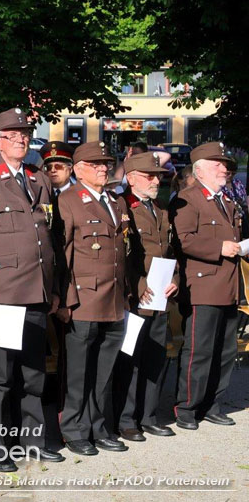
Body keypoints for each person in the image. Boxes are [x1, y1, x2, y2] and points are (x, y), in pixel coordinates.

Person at [0, 108, 64, 472]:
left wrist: (52, 287)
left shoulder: (36, 177)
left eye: (25, 133)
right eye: (14, 134)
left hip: (36, 290)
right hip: (4, 291)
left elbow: (49, 236)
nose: (23, 138)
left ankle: (34, 439)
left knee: (34, 371)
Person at [55, 141, 130, 456]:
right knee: (78, 371)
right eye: (97, 164)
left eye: (107, 163)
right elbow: (62, 255)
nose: (104, 168)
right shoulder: (69, 201)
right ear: (79, 169)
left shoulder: (115, 201)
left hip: (113, 299)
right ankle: (73, 429)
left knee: (103, 370)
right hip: (83, 299)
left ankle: (98, 427)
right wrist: (64, 299)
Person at [170, 142, 242, 431]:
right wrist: (219, 247)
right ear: (199, 170)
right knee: (198, 351)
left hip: (228, 285)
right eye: (217, 164)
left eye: (225, 164)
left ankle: (213, 404)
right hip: (203, 287)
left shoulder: (226, 201)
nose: (224, 168)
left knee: (225, 352)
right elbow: (182, 239)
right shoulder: (187, 199)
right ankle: (187, 406)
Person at [114, 152, 178, 441]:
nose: (156, 180)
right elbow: (120, 257)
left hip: (161, 295)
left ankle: (149, 415)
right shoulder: (121, 207)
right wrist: (138, 285)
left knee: (155, 357)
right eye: (149, 176)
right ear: (131, 178)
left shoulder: (161, 208)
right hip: (134, 295)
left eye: (158, 176)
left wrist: (175, 278)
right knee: (132, 359)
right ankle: (126, 419)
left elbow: (170, 251)